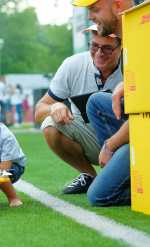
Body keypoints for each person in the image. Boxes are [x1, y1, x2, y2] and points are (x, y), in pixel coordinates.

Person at [34, 25, 123, 194]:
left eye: (107, 48)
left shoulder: (134, 65)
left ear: (121, 47)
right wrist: (55, 106)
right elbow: (39, 111)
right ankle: (89, 176)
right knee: (49, 124)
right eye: (94, 45)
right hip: (89, 138)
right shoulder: (72, 65)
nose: (99, 53)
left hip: (126, 138)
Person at [73, 0, 134, 206]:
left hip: (145, 127)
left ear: (118, 6)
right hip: (140, 122)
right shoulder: (131, 40)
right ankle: (123, 171)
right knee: (96, 101)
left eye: (95, 10)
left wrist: (110, 146)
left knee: (98, 194)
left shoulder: (142, 37)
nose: (90, 17)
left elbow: (144, 118)